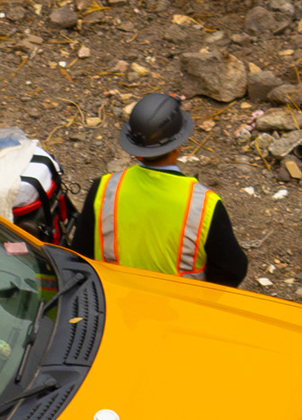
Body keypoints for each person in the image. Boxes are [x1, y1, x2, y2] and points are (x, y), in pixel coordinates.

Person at [83, 95, 248, 282]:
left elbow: (80, 255)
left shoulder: (103, 189)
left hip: (113, 303)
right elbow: (234, 269)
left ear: (137, 152)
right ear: (178, 146)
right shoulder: (204, 205)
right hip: (180, 307)